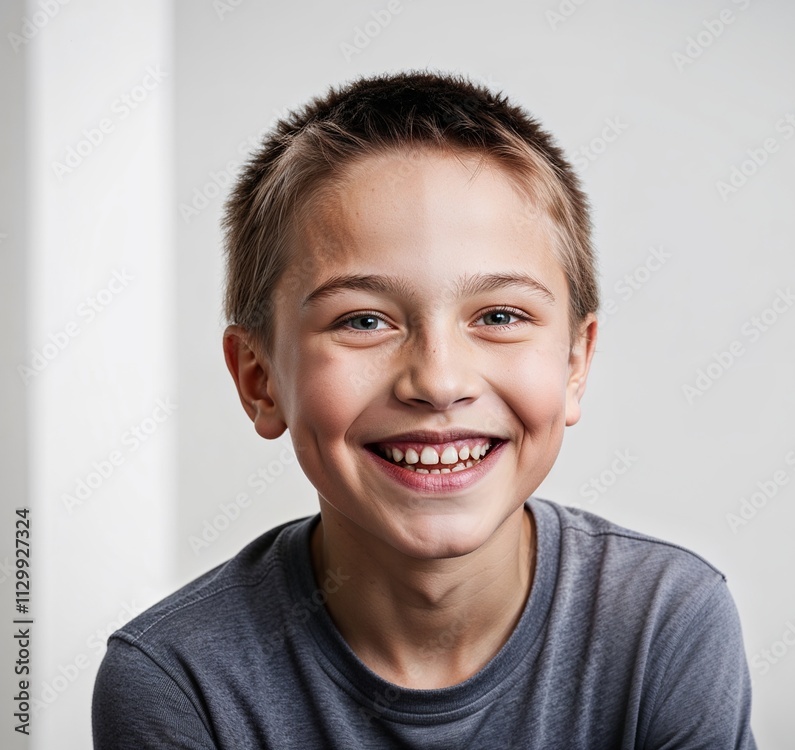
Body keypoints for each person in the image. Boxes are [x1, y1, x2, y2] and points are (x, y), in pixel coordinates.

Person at [92, 70, 757, 749]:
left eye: (499, 315)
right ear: (260, 380)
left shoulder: (665, 624)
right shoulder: (176, 680)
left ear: (574, 362)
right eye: (362, 321)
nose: (439, 381)